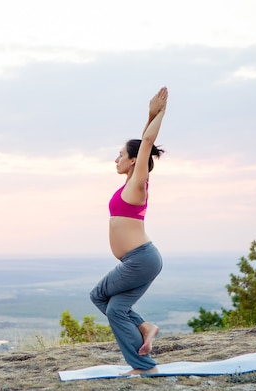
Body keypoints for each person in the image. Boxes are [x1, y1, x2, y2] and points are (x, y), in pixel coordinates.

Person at [90, 87, 168, 376]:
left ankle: (144, 365)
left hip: (140, 259)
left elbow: (146, 141)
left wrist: (158, 112)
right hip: (136, 260)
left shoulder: (137, 184)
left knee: (99, 296)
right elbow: (143, 142)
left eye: (120, 154)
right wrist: (150, 115)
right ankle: (145, 331)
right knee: (115, 309)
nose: (116, 159)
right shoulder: (128, 186)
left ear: (134, 161)